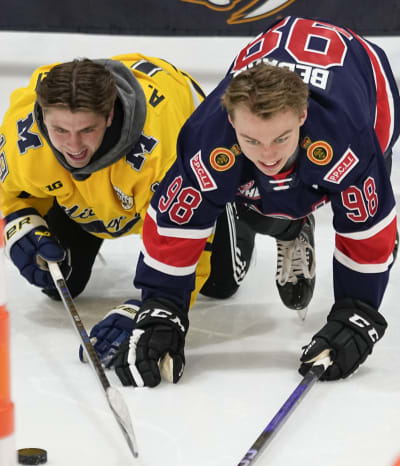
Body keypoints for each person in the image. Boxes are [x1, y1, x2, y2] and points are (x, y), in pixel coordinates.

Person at [109, 16, 399, 387]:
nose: (267, 156)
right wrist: (162, 308)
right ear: (230, 119)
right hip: (279, 108)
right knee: (255, 198)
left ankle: (297, 213)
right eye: (252, 140)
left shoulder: (348, 139)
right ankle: (292, 224)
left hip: (362, 72)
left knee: (363, 203)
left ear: (302, 114)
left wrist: (356, 312)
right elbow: (175, 226)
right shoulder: (206, 139)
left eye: (281, 137)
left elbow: (366, 231)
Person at [0, 52, 220, 360]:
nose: (73, 148)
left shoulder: (165, 152)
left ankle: (275, 222)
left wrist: (148, 308)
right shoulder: (24, 136)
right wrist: (22, 222)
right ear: (42, 116)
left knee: (219, 283)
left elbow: (183, 239)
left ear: (110, 116)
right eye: (60, 130)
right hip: (91, 202)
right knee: (59, 281)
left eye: (87, 130)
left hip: (190, 185)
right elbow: (14, 192)